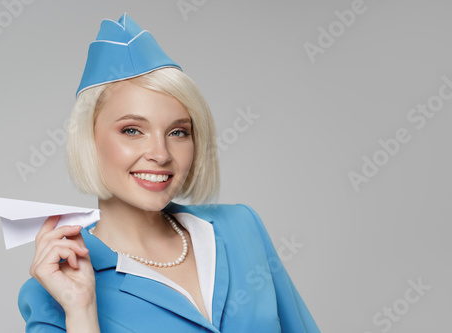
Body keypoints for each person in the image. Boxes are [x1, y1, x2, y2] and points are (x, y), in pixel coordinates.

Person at [18, 13, 321, 333]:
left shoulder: (242, 228)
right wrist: (82, 311)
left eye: (178, 132)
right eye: (132, 130)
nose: (160, 155)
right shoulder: (56, 287)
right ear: (88, 140)